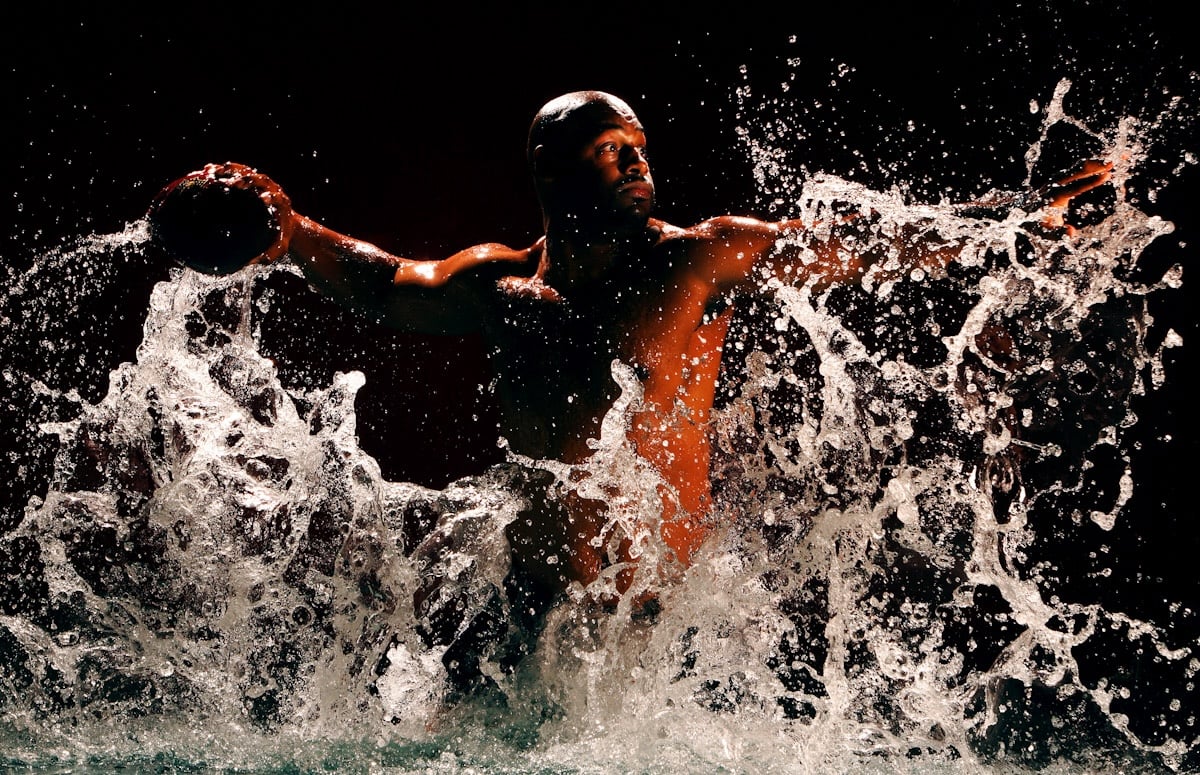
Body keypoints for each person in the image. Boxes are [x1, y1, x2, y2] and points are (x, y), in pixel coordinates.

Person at [149, 90, 1111, 627]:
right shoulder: (498, 285)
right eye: (612, 149)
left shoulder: (697, 260)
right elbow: (386, 282)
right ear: (553, 171)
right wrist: (292, 228)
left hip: (656, 620)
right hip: (525, 603)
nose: (637, 162)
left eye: (639, 147)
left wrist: (1021, 224)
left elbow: (862, 242)